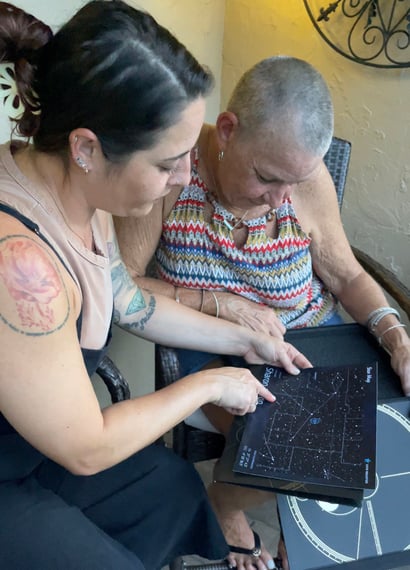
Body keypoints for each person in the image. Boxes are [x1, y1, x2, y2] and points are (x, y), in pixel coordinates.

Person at [0, 4, 313, 569]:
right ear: (87, 148)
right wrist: (209, 385)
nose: (185, 180)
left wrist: (243, 340)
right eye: (168, 163)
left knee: (171, 489)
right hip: (23, 465)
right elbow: (88, 446)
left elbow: (131, 302)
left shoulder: (82, 193)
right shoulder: (19, 262)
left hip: (38, 441)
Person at [114, 55, 410, 569]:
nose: (281, 201)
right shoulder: (173, 173)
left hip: (317, 338)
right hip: (216, 353)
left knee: (388, 431)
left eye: (294, 182)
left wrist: (393, 332)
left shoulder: (301, 179)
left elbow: (346, 276)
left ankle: (293, 531)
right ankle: (230, 507)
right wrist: (220, 303)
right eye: (268, 178)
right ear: (227, 130)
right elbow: (123, 285)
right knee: (306, 452)